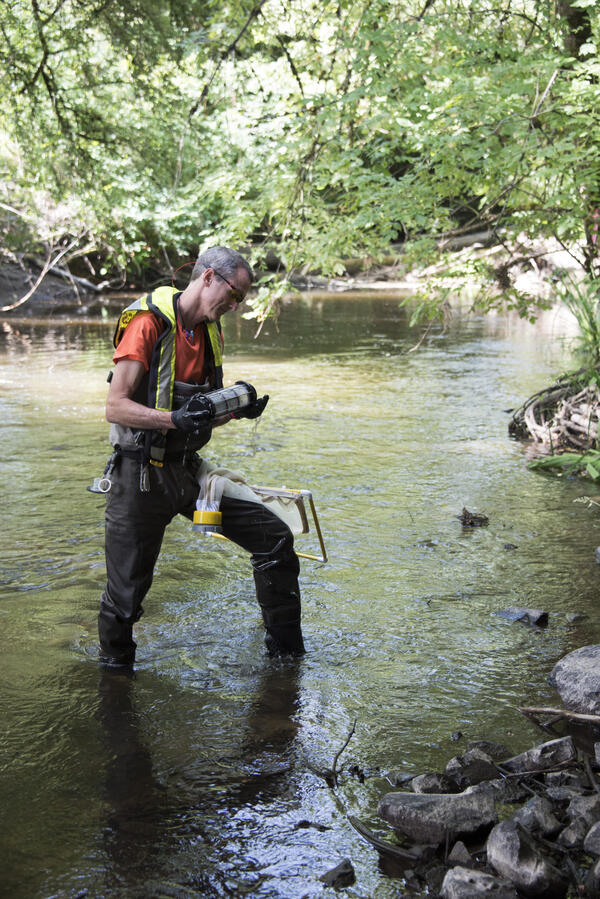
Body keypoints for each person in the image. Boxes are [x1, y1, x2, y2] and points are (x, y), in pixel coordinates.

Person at [98, 245, 305, 667]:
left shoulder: (210, 332)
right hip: (140, 476)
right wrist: (175, 418)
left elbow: (201, 418)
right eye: (234, 295)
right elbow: (114, 407)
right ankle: (115, 685)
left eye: (241, 300)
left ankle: (286, 662)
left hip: (191, 475)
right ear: (208, 277)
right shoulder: (147, 322)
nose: (234, 305)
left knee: (276, 539)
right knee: (125, 601)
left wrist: (236, 410)